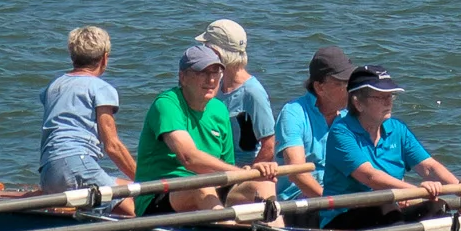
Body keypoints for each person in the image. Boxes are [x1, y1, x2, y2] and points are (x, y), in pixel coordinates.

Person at [133, 42, 268, 214]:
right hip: (159, 197)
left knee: (262, 185)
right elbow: (189, 158)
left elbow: (225, 169)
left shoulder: (219, 110)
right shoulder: (166, 104)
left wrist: (252, 176)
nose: (211, 80)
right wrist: (240, 173)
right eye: (202, 73)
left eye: (215, 72)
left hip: (208, 190)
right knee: (202, 186)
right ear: (183, 77)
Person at [323, 66, 461, 229]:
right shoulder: (341, 132)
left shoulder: (397, 129)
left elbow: (428, 167)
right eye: (380, 97)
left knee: (437, 207)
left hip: (390, 212)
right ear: (358, 103)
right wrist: (416, 191)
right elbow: (370, 177)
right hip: (342, 220)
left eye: (390, 96)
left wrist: (460, 186)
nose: (388, 102)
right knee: (384, 203)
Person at [39, 23, 139, 209]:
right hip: (77, 165)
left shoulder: (54, 87)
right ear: (105, 58)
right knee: (136, 207)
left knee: (126, 187)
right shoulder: (101, 88)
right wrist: (145, 180)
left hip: (48, 171)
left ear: (72, 56)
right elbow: (112, 146)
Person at [272, 45, 353, 206]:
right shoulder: (294, 114)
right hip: (300, 200)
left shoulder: (349, 117)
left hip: (339, 196)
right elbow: (297, 173)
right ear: (319, 87)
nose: (349, 90)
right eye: (341, 84)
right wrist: (332, 203)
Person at [197, 18, 278, 168]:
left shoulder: (252, 93)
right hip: (216, 167)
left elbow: (269, 145)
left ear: (217, 52)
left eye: (206, 47)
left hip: (240, 170)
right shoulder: (216, 86)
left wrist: (245, 176)